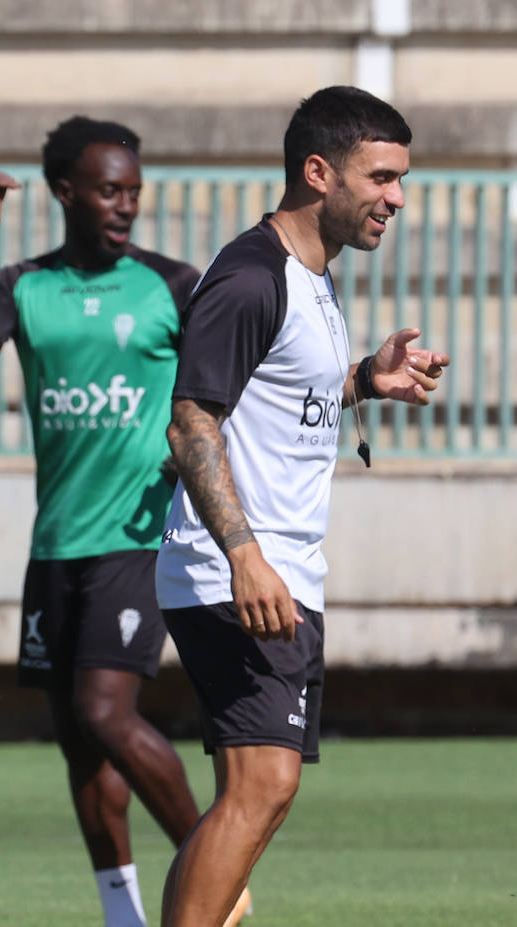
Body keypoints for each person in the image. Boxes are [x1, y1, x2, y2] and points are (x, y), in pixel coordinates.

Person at [0, 116, 249, 927]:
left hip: (139, 537)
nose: (125, 206)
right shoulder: (24, 282)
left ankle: (219, 874)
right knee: (81, 736)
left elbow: (233, 387)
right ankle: (122, 913)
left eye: (134, 192)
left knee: (107, 710)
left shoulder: (173, 284)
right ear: (66, 192)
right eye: (110, 190)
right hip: (57, 545)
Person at [156, 85, 450, 927]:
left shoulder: (307, 276)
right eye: (382, 176)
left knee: (251, 801)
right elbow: (192, 420)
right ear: (318, 172)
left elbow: (272, 398)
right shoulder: (251, 277)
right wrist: (246, 555)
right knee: (265, 786)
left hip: (274, 568)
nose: (397, 197)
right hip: (238, 570)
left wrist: (364, 383)